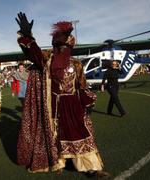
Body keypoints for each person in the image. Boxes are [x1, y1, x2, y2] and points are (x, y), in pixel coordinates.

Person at [15, 12, 110, 178]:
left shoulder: (77, 64)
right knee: (55, 136)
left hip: (74, 107)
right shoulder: (47, 60)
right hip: (53, 107)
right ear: (55, 47)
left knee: (81, 134)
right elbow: (33, 53)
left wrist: (88, 101)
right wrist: (27, 35)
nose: (63, 50)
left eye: (66, 48)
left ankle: (92, 168)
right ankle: (58, 162)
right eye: (60, 47)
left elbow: (81, 86)